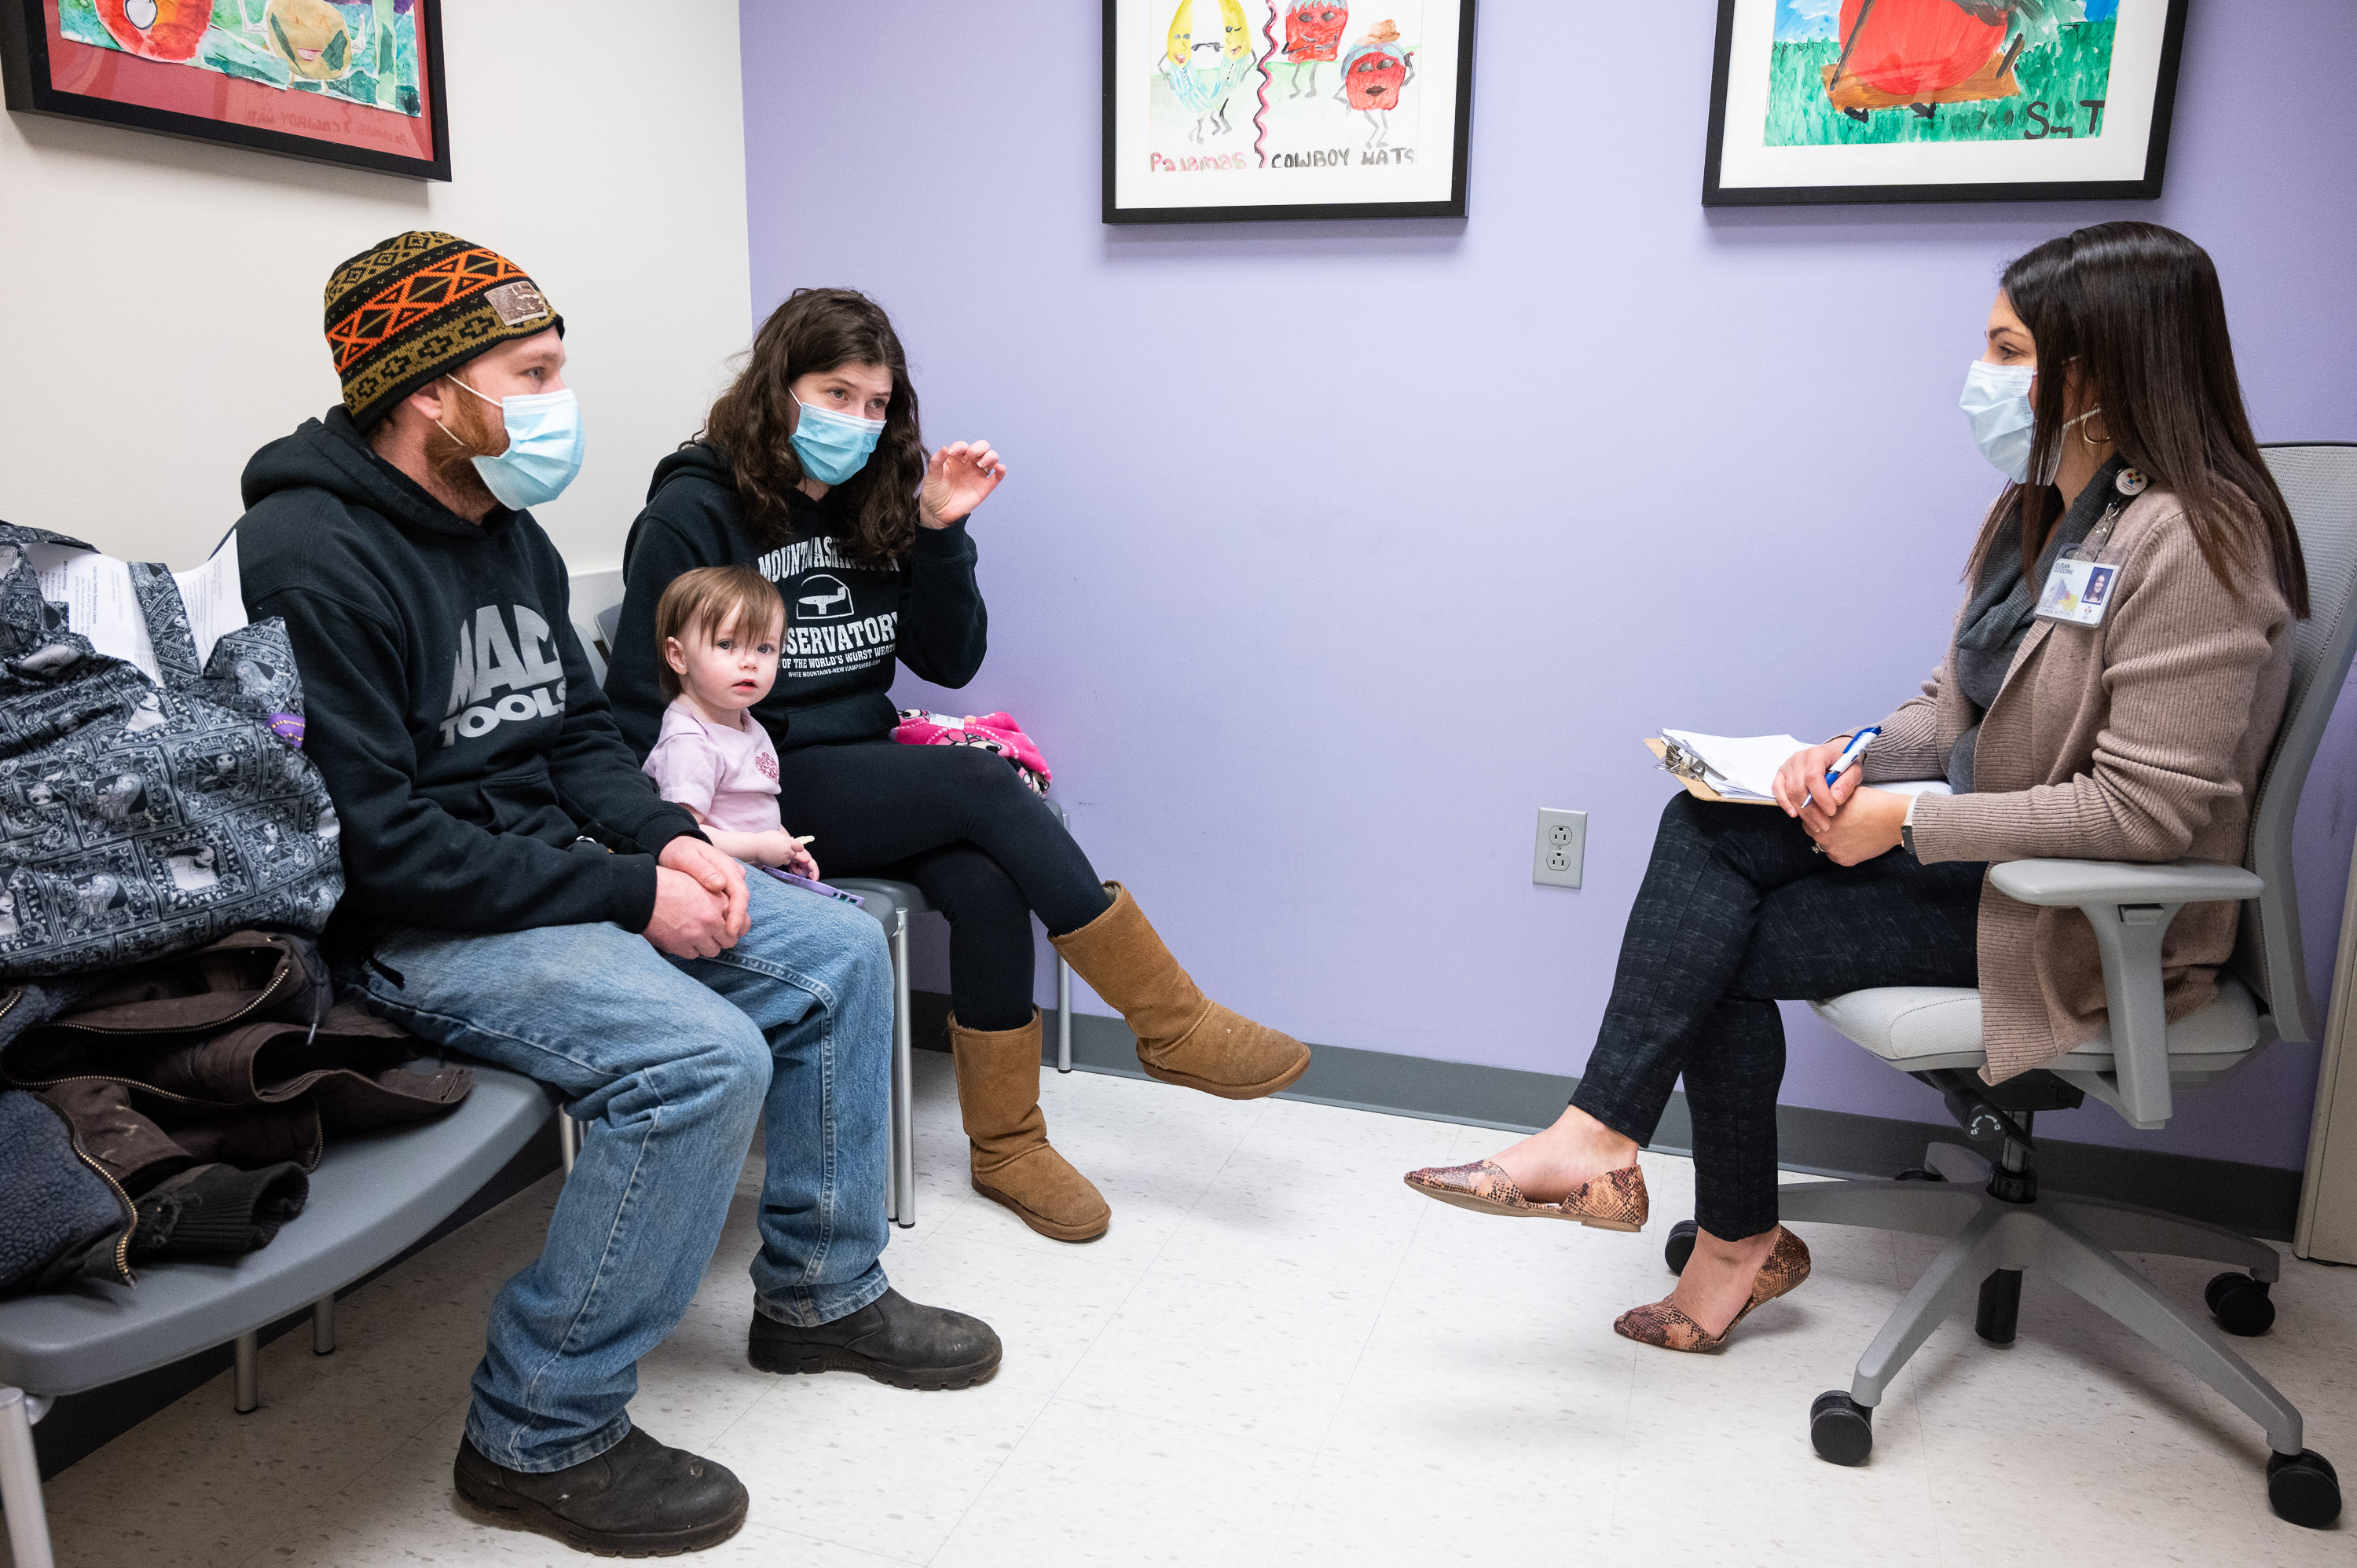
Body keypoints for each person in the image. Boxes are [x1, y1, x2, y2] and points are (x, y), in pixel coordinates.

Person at [1402, 222, 2308, 1354]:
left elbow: (2150, 815)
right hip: (1986, 861)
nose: (1985, 378)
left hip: (2081, 913)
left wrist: (1913, 821)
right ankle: (1611, 1145)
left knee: (1716, 948)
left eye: (2010, 351)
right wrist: (1848, 760)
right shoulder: (2043, 514)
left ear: (2094, 368)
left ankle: (1719, 1227)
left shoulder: (2199, 545)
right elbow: (1953, 709)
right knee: (1708, 823)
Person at [236, 233, 1003, 1559]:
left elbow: (588, 736)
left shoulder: (504, 527)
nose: (554, 402)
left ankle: (820, 1295)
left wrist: (674, 839)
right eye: (530, 372)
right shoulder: (309, 554)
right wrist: (629, 888)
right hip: (417, 927)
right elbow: (381, 845)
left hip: (549, 873)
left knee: (838, 951)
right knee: (697, 1059)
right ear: (427, 389)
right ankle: (538, 1431)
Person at [603, 288, 1310, 1246]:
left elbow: (948, 659)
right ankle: (1169, 1020)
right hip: (760, 778)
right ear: (779, 389)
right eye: (835, 393)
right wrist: (687, 834)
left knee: (984, 882)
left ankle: (1009, 1145)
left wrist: (940, 531)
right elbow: (638, 701)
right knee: (988, 786)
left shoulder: (869, 499)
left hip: (862, 758)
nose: (856, 420)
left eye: (875, 402)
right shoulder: (693, 510)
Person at [640, 564, 819, 876]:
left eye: (765, 648)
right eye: (726, 644)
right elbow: (682, 835)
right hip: (717, 880)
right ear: (678, 656)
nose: (750, 662)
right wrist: (757, 847)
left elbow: (752, 808)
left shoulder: (745, 721)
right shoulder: (689, 742)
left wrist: (786, 845)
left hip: (757, 871)